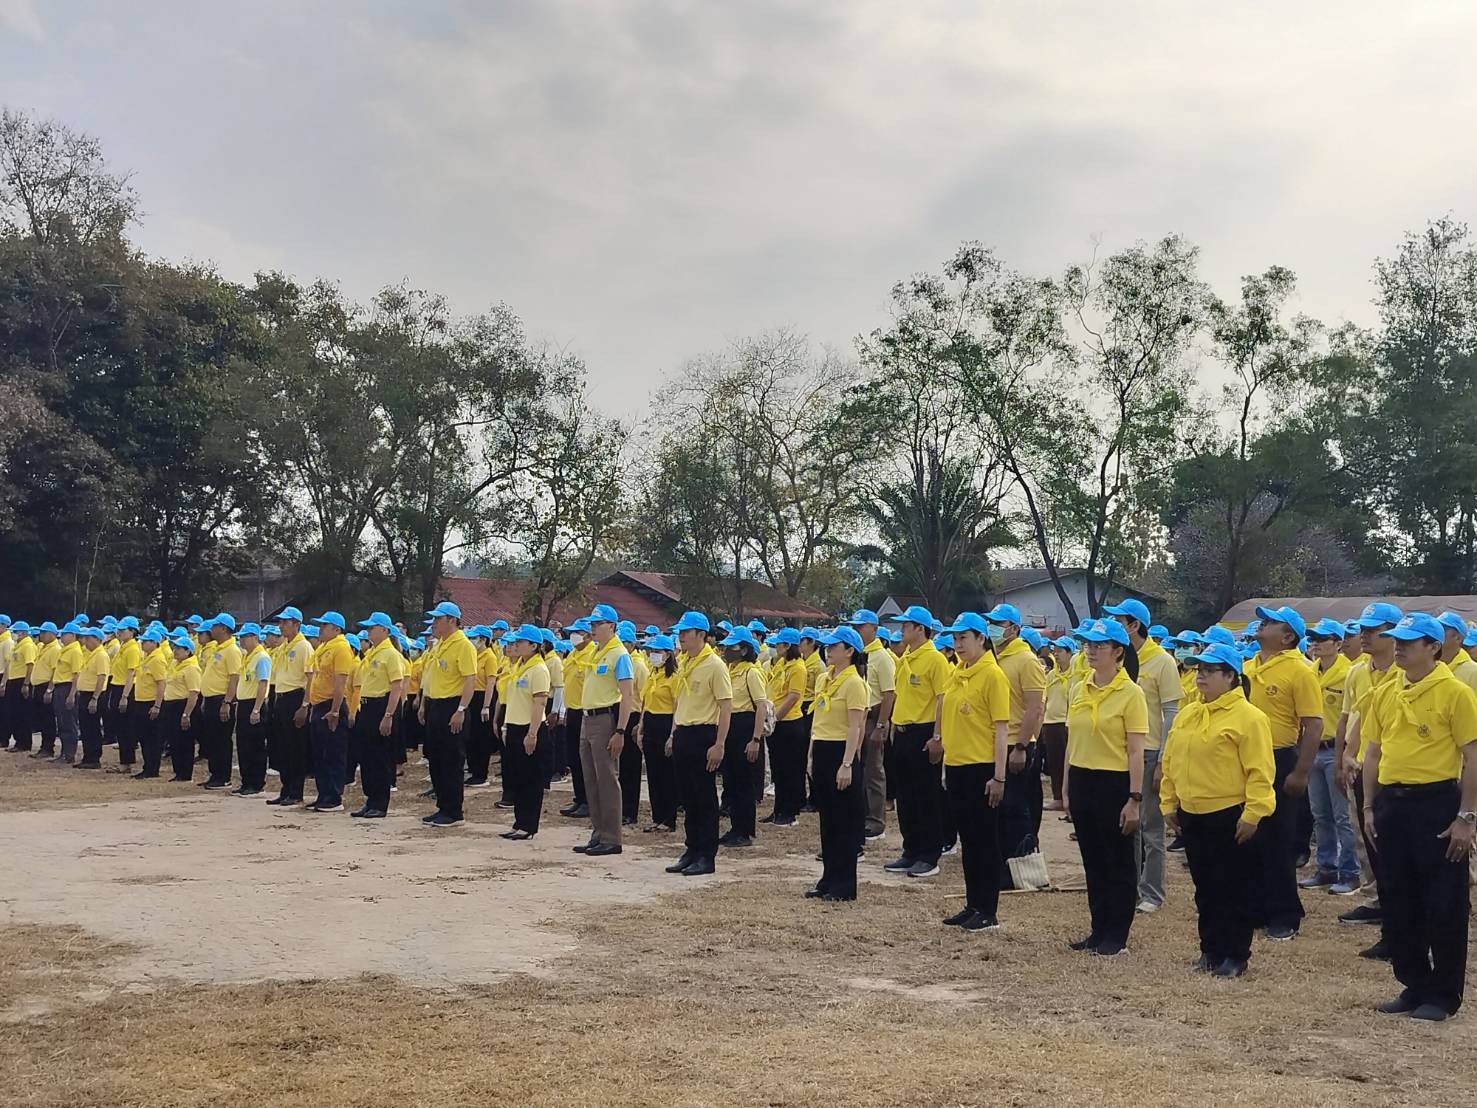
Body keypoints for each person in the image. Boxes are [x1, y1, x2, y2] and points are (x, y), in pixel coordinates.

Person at [1360, 612, 1477, 1021]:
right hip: (1394, 803)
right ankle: (1414, 982)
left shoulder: (1455, 693)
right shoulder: (1387, 690)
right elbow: (1373, 750)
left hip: (1437, 803)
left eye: (1411, 641)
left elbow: (1472, 755)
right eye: (1398, 640)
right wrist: (1370, 805)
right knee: (1399, 897)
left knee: (1443, 902)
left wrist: (1466, 816)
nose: (1400, 646)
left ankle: (1444, 994)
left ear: (1434, 647)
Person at [1161, 641, 1276, 978]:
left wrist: (1253, 813)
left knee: (1234, 888)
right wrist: (1169, 802)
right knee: (1206, 887)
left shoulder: (1250, 718)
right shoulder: (1188, 713)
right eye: (1199, 670)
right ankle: (1210, 949)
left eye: (1210, 671)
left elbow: (1260, 770)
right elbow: (1171, 761)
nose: (1201, 677)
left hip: (1229, 813)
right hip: (1192, 813)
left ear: (1230, 676)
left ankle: (1235, 954)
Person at [1064, 619, 1147, 957]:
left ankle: (1117, 933)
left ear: (1118, 651)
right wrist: (1067, 789)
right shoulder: (1079, 687)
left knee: (1118, 861)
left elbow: (1135, 750)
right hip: (1084, 778)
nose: (1091, 651)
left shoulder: (1131, 693)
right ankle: (1098, 929)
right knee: (1093, 860)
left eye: (1099, 646)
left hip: (1115, 782)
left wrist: (1134, 798)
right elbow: (1073, 741)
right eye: (1088, 645)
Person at [1245, 605, 1323, 941]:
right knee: (1251, 838)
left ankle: (1285, 914)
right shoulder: (1247, 666)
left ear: (1288, 636)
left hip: (1278, 759)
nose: (1263, 623)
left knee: (1278, 839)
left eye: (1272, 622)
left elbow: (1313, 724)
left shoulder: (1300, 671)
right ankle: (1258, 906)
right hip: (1245, 760)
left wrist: (1301, 771)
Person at [1103, 599, 1181, 915]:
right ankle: (1130, 885)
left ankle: (1152, 892)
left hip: (1148, 751)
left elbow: (1171, 712)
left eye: (1119, 620)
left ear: (1134, 625)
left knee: (1150, 827)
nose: (1113, 626)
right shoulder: (1120, 663)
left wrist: (1163, 758)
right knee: (1126, 824)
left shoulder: (1162, 662)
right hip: (1119, 751)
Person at [1336, 602, 1403, 947]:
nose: (1363, 635)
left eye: (1372, 630)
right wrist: (1345, 756)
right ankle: (1383, 908)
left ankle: (1399, 923)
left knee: (1395, 851)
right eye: (1362, 629)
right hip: (1364, 768)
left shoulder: (1407, 673)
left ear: (1393, 634)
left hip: (1399, 774)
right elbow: (1350, 718)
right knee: (1370, 841)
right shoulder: (1357, 672)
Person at [938, 613, 1010, 930]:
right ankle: (972, 904)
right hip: (957, 766)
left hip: (981, 768)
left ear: (981, 638)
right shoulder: (957, 673)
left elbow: (1001, 729)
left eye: (964, 638)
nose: (958, 645)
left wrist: (999, 775)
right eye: (954, 639)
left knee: (984, 840)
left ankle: (987, 909)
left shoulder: (993, 676)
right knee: (968, 840)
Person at [881, 605, 952, 879]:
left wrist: (937, 736)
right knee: (906, 797)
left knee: (926, 796)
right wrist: (892, 725)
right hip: (902, 732)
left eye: (906, 626)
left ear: (920, 629)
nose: (902, 630)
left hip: (923, 733)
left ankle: (928, 855)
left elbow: (942, 699)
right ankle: (910, 850)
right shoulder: (906, 657)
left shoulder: (935, 660)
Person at [666, 611, 732, 876]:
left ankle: (706, 855)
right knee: (688, 797)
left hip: (704, 733)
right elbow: (679, 702)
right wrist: (673, 733)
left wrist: (720, 744)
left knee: (704, 798)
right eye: (679, 632)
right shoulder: (684, 662)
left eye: (685, 632)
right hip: (684, 732)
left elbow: (726, 706)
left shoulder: (715, 665)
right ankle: (691, 849)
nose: (681, 637)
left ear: (701, 635)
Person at [806, 626, 869, 902]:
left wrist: (847, 763)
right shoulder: (824, 678)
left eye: (834, 647)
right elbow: (817, 721)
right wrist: (810, 755)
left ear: (849, 651)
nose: (828, 651)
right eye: (827, 646)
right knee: (827, 820)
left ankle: (844, 884)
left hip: (841, 751)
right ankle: (828, 877)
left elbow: (856, 727)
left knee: (844, 822)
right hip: (821, 748)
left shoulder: (855, 683)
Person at [985, 604, 1047, 879]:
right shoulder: (995, 657)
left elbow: (1035, 708)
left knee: (1015, 806)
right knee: (998, 808)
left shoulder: (1026, 660)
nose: (994, 628)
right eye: (992, 623)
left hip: (1016, 743)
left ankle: (1020, 864)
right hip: (995, 742)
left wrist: (1022, 746)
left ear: (1014, 629)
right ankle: (1000, 865)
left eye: (999, 624)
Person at [1300, 618, 1360, 895]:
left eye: (1323, 639)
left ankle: (1350, 871)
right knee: (1320, 813)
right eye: (1313, 638)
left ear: (1338, 643)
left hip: (1336, 749)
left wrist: (1344, 757)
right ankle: (1326, 866)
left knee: (1342, 816)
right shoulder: (1310, 670)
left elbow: (1350, 718)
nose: (1316, 643)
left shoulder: (1349, 672)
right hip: (1313, 748)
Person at [573, 604, 635, 858]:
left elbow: (627, 695)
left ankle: (612, 837)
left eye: (597, 625)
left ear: (611, 626)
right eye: (591, 625)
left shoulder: (619, 655)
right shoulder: (597, 653)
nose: (593, 629)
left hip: (605, 719)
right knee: (591, 778)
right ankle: (598, 832)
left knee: (607, 779)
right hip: (588, 719)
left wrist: (620, 730)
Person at [418, 602, 478, 827]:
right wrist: (425, 703)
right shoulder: (439, 644)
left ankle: (454, 811)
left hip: (452, 706)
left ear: (451, 620)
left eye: (437, 619)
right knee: (435, 758)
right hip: (435, 704)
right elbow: (431, 677)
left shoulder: (463, 645)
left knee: (451, 760)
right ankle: (442, 806)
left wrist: (461, 709)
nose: (433, 623)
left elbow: (469, 680)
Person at [348, 612, 407, 819]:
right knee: (366, 756)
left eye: (372, 628)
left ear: (384, 630)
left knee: (380, 757)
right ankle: (370, 799)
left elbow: (397, 686)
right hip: (366, 706)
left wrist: (388, 715)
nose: (368, 631)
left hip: (380, 705)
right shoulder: (372, 653)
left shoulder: (390, 655)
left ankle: (380, 803)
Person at [845, 610, 896, 841]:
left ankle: (876, 820)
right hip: (859, 714)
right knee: (858, 768)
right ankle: (862, 814)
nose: (857, 630)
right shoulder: (859, 654)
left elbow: (888, 694)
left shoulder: (882, 657)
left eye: (860, 626)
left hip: (874, 715)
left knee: (874, 770)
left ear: (874, 628)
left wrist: (882, 725)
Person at [498, 624, 551, 839]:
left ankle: (529, 825)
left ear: (534, 645)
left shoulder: (539, 669)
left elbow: (539, 704)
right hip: (514, 727)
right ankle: (519, 822)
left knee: (531, 779)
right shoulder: (518, 667)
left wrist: (532, 734)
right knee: (517, 777)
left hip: (531, 728)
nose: (516, 645)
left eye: (520, 642)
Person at [717, 626, 767, 848]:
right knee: (732, 780)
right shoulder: (729, 671)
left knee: (744, 782)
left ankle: (745, 831)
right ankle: (735, 827)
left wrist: (755, 738)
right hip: (731, 727)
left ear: (745, 650)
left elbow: (761, 706)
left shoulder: (751, 672)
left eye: (733, 646)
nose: (727, 650)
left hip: (745, 726)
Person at [304, 611, 354, 813]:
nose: (320, 629)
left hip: (331, 705)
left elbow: (340, 681)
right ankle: (323, 794)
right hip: (319, 704)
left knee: (333, 753)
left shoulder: (341, 648)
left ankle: (334, 796)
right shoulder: (324, 648)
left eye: (325, 625)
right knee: (320, 753)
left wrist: (335, 710)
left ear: (336, 629)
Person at [268, 608, 314, 806]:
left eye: (285, 623)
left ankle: (296, 791)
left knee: (296, 747)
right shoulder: (282, 647)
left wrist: (305, 704)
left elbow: (310, 677)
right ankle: (285, 789)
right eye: (280, 623)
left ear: (297, 624)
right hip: (281, 697)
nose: (281, 626)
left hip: (296, 697)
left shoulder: (304, 646)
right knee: (283, 747)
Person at [762, 627, 809, 826]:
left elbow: (793, 696)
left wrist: (775, 718)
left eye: (778, 645)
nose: (775, 648)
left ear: (788, 646)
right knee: (778, 769)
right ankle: (778, 809)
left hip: (789, 723)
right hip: (776, 723)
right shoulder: (781, 664)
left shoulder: (798, 667)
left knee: (789, 769)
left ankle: (789, 812)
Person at [636, 634, 679, 833]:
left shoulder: (674, 678)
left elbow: (677, 708)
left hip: (665, 724)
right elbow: (645, 703)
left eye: (657, 652)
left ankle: (668, 819)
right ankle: (656, 816)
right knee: (653, 774)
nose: (653, 655)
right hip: (651, 724)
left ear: (668, 654)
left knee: (667, 775)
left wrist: (672, 735)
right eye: (651, 652)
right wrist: (641, 727)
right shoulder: (653, 675)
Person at [197, 613, 242, 790]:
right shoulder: (218, 648)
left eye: (215, 626)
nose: (211, 630)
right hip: (210, 699)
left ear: (224, 628)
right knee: (212, 739)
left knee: (222, 739)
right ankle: (214, 774)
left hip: (221, 700)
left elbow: (234, 677)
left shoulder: (232, 650)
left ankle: (223, 777)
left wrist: (227, 701)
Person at [559, 619, 595, 819]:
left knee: (585, 760)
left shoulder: (592, 654)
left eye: (578, 632)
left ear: (588, 635)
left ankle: (589, 801)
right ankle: (579, 797)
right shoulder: (573, 654)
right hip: (572, 711)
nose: (573, 636)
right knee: (573, 758)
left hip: (586, 711)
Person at [161, 633, 202, 780]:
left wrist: (187, 714)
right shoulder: (175, 665)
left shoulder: (191, 668)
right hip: (171, 705)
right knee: (174, 739)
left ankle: (185, 773)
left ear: (188, 651)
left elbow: (193, 693)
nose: (175, 650)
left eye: (179, 648)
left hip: (183, 705)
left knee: (184, 740)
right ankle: (178, 771)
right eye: (175, 647)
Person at [131, 627, 170, 778]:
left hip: (151, 702)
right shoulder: (147, 658)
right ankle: (147, 767)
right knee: (144, 737)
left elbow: (161, 683)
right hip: (141, 701)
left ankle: (152, 769)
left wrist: (157, 705)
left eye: (146, 641)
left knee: (152, 738)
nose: (142, 644)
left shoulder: (157, 660)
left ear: (154, 643)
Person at [1041, 638, 1075, 810]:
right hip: (1050, 722)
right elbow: (1045, 700)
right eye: (1054, 650)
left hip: (1065, 723)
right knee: (1054, 761)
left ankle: (1067, 797)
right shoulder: (1051, 675)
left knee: (1066, 761)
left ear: (1070, 653)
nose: (1056, 654)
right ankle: (1057, 797)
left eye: (1060, 651)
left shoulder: (1075, 677)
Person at [108, 616, 143, 772]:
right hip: (117, 686)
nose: (119, 632)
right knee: (120, 727)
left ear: (132, 631)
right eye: (119, 630)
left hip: (125, 689)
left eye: (123, 630)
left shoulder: (133, 649)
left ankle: (126, 762)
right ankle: (124, 760)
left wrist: (124, 696)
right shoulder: (124, 647)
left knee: (126, 727)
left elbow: (131, 674)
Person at [73, 625, 110, 769]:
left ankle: (94, 758)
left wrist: (95, 698)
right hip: (85, 693)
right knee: (85, 727)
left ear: (96, 639)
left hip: (93, 694)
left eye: (88, 638)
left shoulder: (101, 655)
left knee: (93, 727)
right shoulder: (90, 654)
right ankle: (87, 756)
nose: (85, 641)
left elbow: (101, 677)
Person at [29, 622, 61, 758]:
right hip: (38, 686)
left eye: (44, 632)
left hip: (46, 686)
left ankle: (48, 747)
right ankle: (44, 746)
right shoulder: (43, 647)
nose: (41, 635)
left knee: (48, 719)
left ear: (52, 634)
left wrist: (49, 689)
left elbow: (55, 671)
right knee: (41, 718)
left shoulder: (55, 649)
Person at [4, 622, 37, 751]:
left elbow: (30, 665)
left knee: (23, 713)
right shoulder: (18, 646)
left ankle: (25, 743)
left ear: (22, 633)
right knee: (15, 713)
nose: (13, 634)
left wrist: (26, 683)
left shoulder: (28, 646)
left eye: (15, 632)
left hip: (21, 680)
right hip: (13, 681)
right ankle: (19, 741)